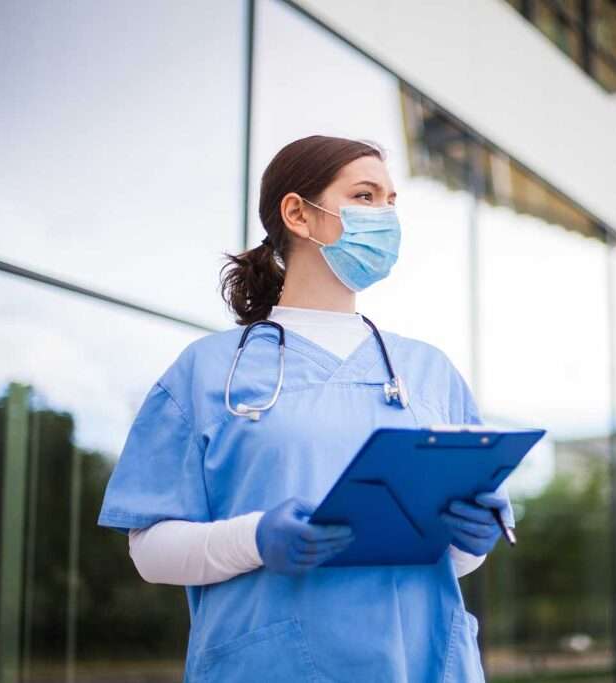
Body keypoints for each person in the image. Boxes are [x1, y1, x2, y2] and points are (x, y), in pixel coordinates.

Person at [96, 135, 515, 682]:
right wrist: (254, 538)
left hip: (424, 663)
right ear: (298, 213)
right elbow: (150, 552)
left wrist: (470, 541)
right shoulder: (208, 371)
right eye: (365, 196)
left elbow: (453, 562)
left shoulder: (429, 372)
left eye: (391, 201)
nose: (386, 215)